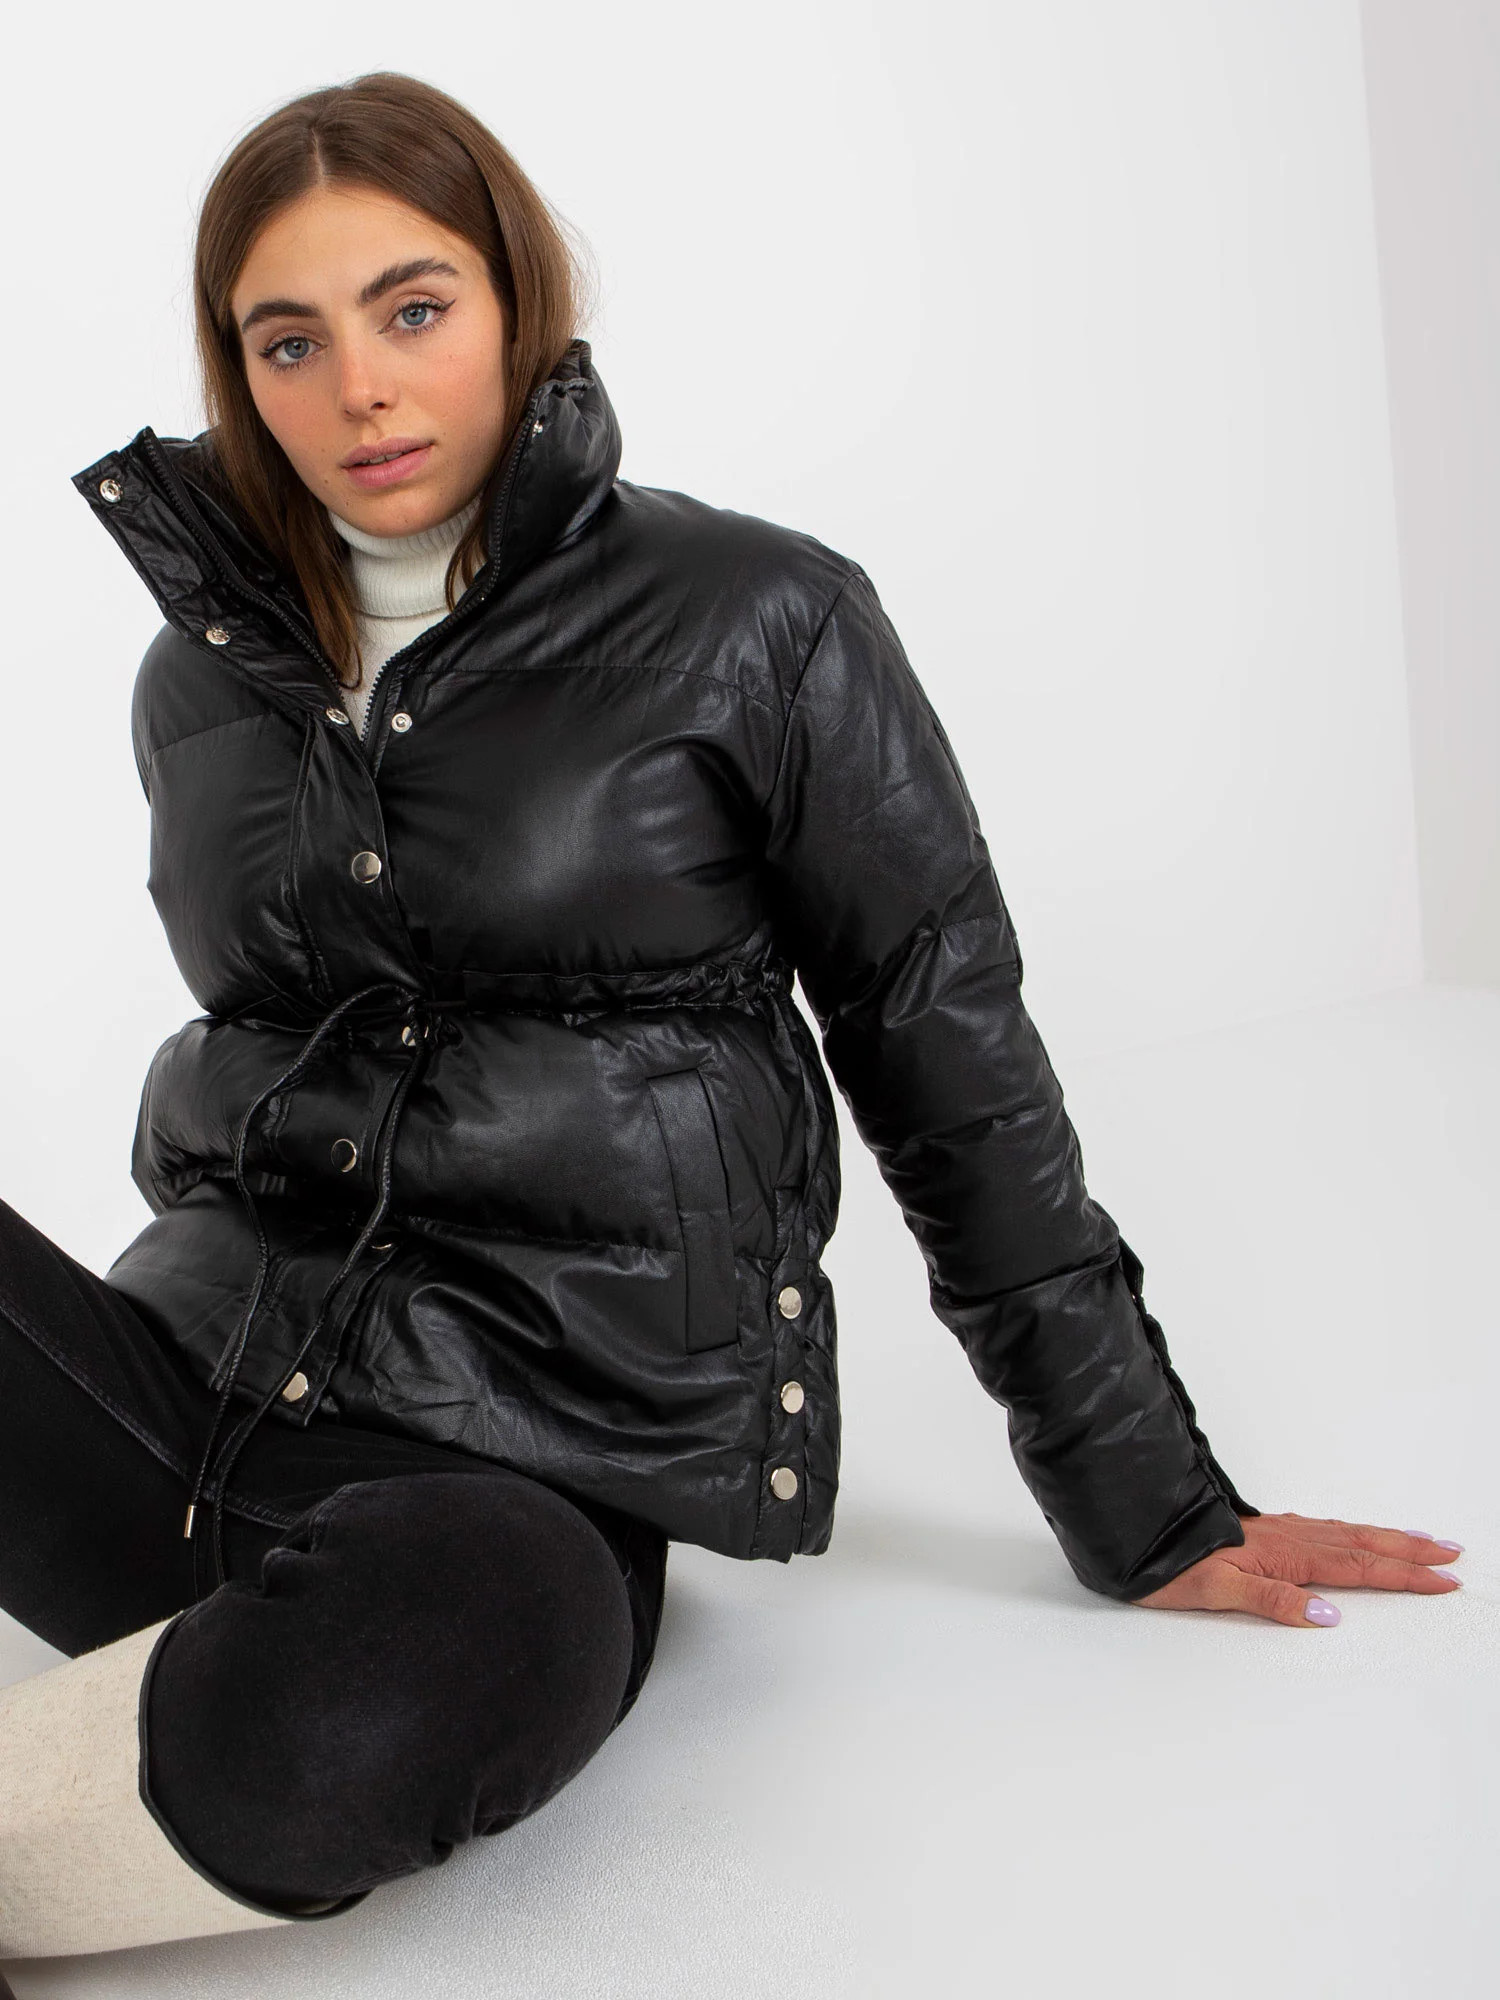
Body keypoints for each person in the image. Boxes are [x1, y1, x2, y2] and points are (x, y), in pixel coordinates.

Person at [0, 68, 1464, 1965]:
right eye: (290, 341)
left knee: (378, 1712)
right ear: (240, 374)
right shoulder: (194, 683)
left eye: (413, 307)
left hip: (518, 1472)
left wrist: (1145, 1496)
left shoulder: (756, 620)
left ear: (518, 301)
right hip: (175, 1376)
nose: (359, 386)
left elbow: (948, 1053)